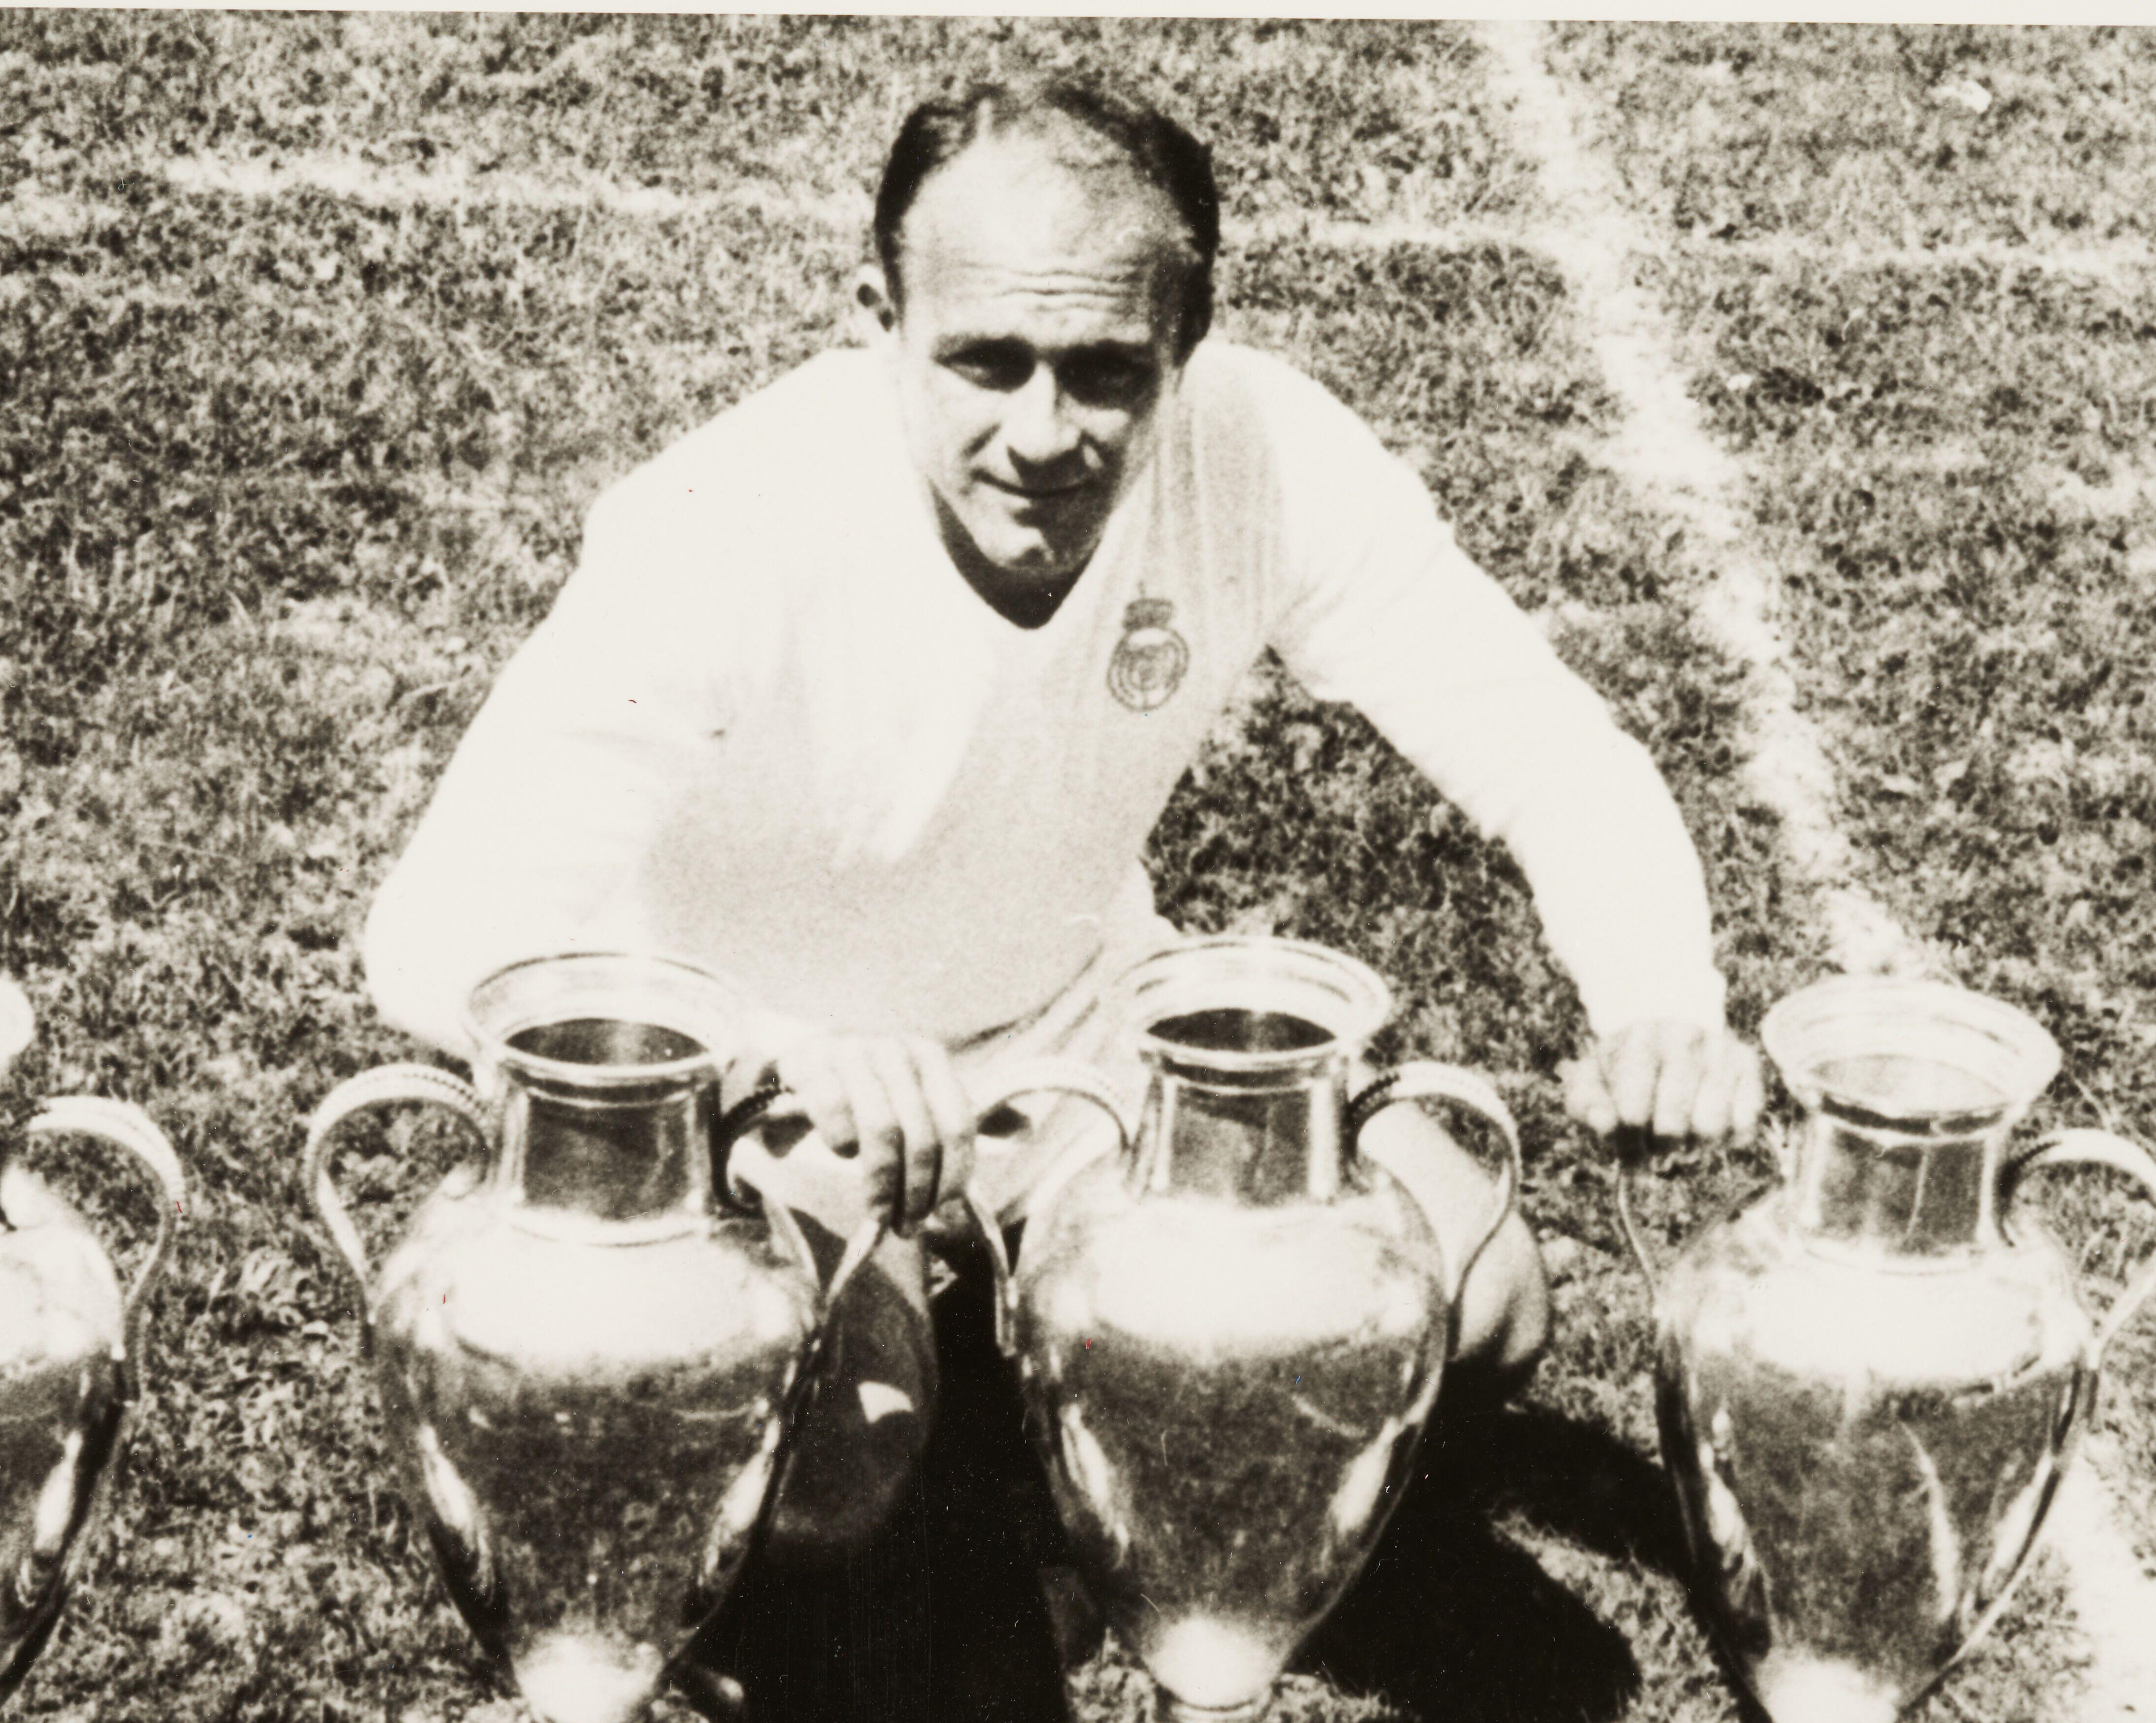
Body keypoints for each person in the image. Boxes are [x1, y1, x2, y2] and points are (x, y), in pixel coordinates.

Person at [363, 74, 1759, 1570]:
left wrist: (1661, 1005)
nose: (1045, 432)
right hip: (768, 1088)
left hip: (1073, 1037)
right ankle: (974, 1385)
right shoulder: (720, 523)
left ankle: (1070, 1418)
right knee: (833, 1486)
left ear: (1189, 342)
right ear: (872, 319)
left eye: (1105, 369)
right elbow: (438, 938)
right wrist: (772, 1051)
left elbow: (1544, 745)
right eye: (985, 361)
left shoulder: (1268, 454)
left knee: (1475, 1303)